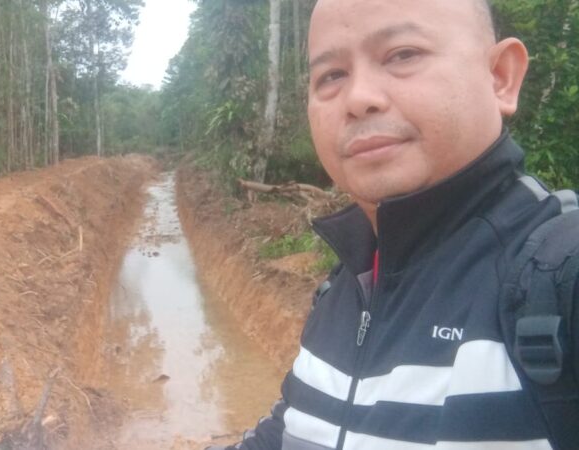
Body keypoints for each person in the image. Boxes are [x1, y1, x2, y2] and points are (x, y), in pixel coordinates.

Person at [210, 0, 579, 449]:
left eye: (403, 54)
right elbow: (285, 435)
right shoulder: (348, 285)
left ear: (500, 76)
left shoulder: (559, 277)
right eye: (331, 76)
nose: (359, 98)